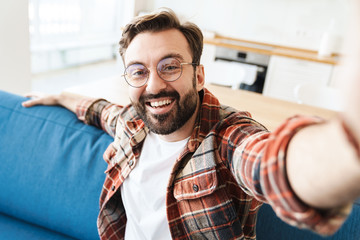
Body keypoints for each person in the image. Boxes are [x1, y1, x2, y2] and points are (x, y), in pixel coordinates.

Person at [22, 7, 360, 240]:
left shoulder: (228, 137)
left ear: (198, 75)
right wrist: (62, 97)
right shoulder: (132, 123)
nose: (153, 85)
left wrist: (348, 146)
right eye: (139, 71)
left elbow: (270, 163)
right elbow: (101, 111)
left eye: (170, 66)